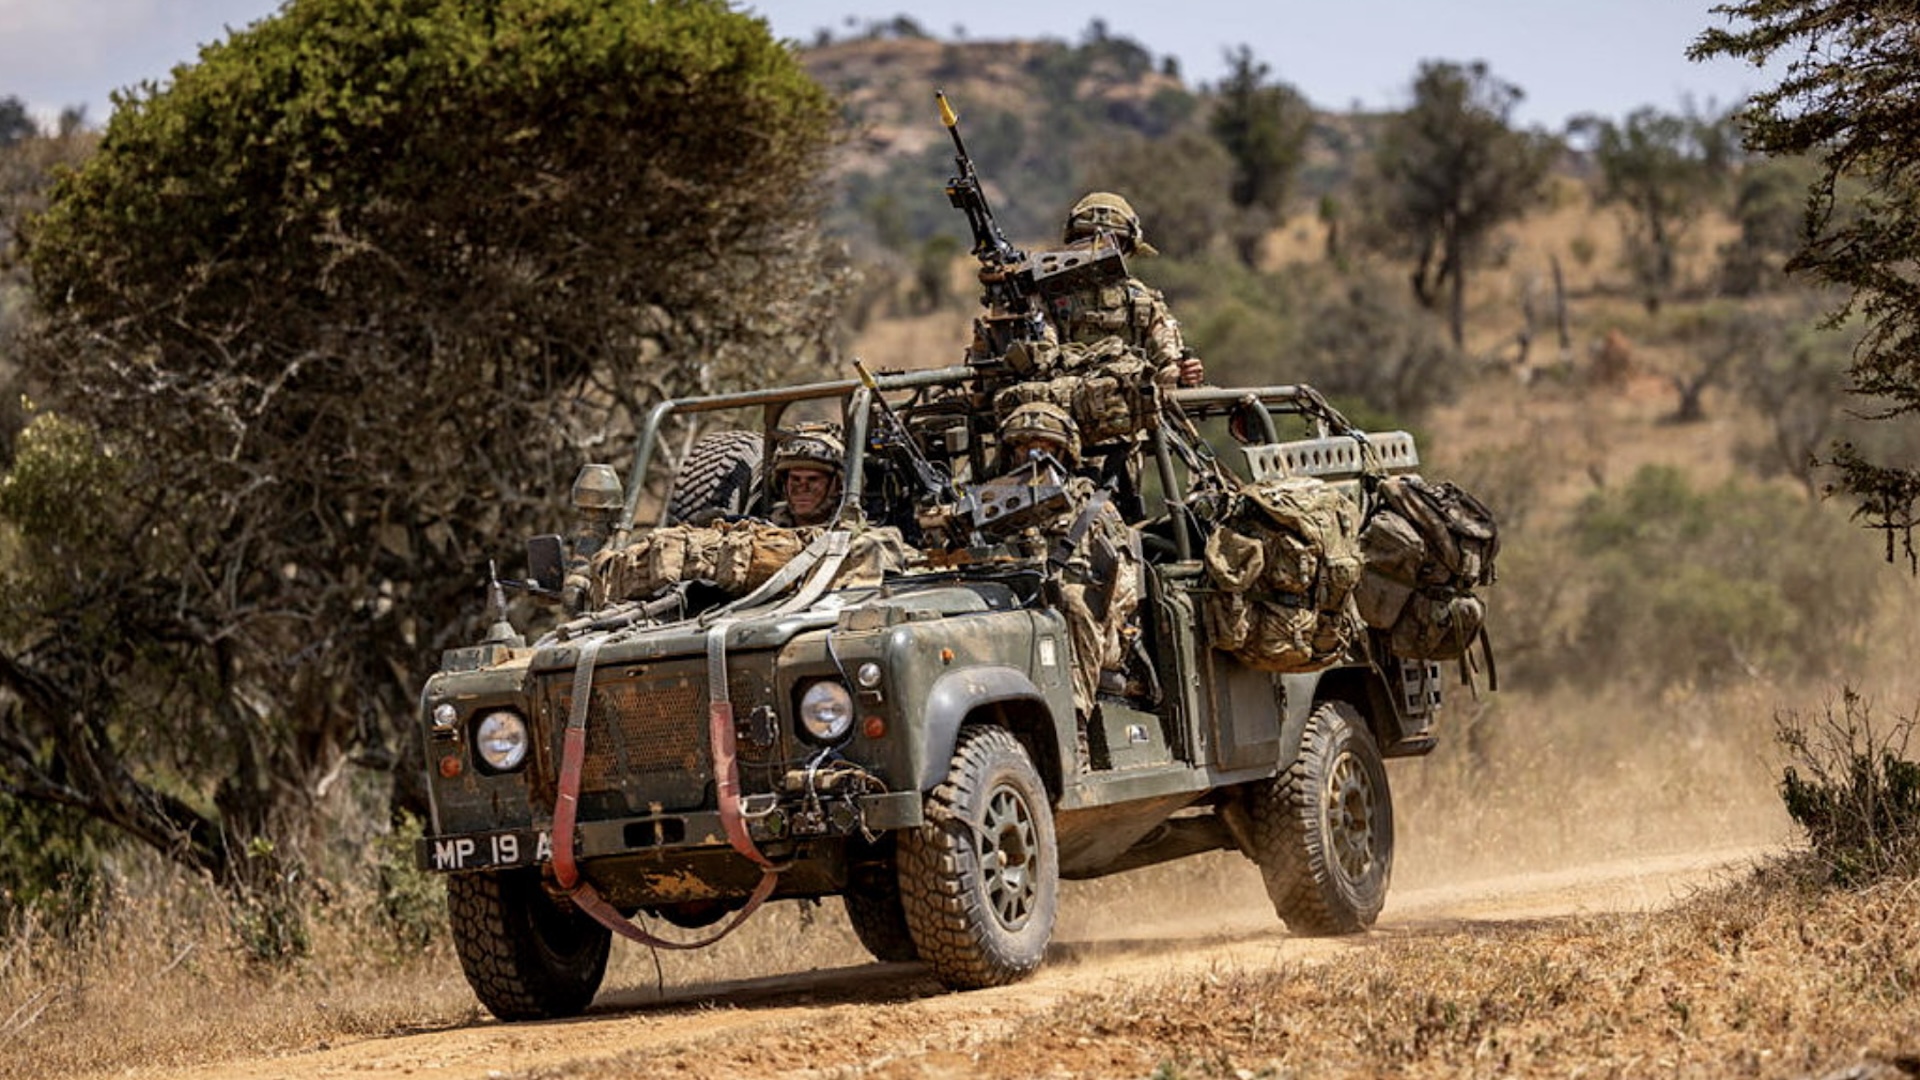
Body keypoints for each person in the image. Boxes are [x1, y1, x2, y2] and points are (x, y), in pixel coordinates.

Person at [997, 402, 1141, 721]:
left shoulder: (1092, 506)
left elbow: (1124, 588)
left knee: (1074, 601)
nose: (1033, 456)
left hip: (1091, 625)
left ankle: (1075, 721)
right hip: (1014, 610)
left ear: (1065, 453)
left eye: (1044, 446)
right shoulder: (993, 503)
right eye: (1022, 447)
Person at [1049, 191, 1205, 389]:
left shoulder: (1143, 301)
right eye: (1088, 239)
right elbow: (1040, 364)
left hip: (1134, 407)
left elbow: (1166, 366)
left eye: (1111, 241)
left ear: (1126, 247)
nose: (1099, 249)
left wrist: (1183, 375)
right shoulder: (1048, 298)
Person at [769, 427, 844, 528]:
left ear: (835, 485)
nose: (803, 488)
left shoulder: (855, 536)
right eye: (795, 479)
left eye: (813, 479)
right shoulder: (764, 528)